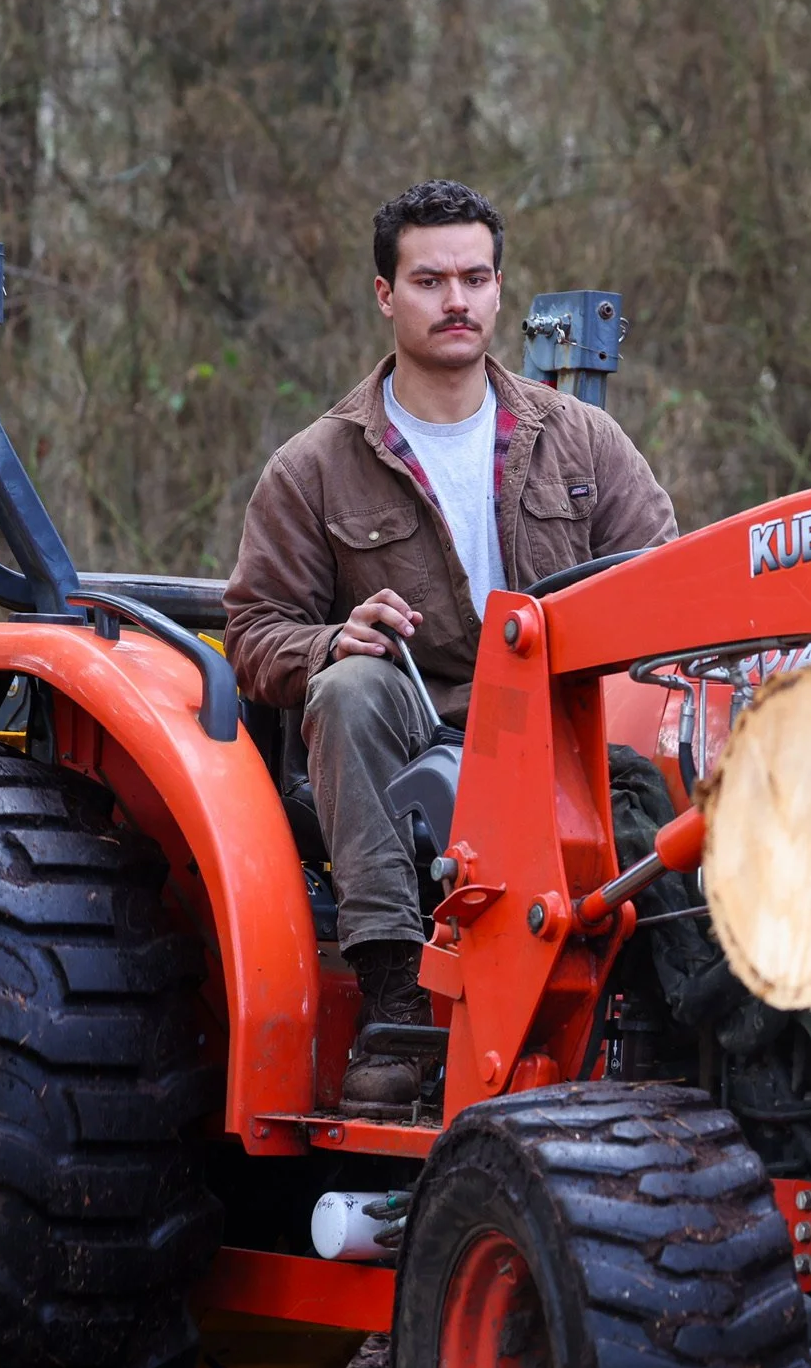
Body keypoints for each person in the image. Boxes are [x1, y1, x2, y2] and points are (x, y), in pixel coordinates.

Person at [223, 179, 677, 1116]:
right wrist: (328, 640)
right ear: (387, 296)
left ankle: (663, 1020)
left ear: (501, 290)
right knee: (349, 688)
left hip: (556, 734)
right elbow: (254, 631)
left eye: (475, 278)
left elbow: (665, 585)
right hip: (406, 736)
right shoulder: (316, 465)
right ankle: (397, 1001)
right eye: (430, 280)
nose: (456, 300)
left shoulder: (581, 443)